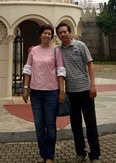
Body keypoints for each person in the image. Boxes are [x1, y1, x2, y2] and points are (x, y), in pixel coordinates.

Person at [56, 22, 100, 163]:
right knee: (76, 126)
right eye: (60, 33)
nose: (63, 34)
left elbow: (90, 64)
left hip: (85, 91)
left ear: (70, 32)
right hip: (70, 93)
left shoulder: (80, 46)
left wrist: (92, 85)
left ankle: (95, 155)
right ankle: (80, 153)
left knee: (91, 124)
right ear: (58, 35)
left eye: (65, 32)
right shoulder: (58, 50)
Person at [22, 24, 66, 163]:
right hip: (35, 93)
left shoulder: (56, 51)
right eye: (44, 33)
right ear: (40, 35)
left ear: (51, 36)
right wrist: (25, 88)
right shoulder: (33, 50)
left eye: (49, 33)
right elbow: (28, 69)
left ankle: (50, 156)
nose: (47, 35)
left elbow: (60, 71)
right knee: (39, 126)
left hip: (51, 93)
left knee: (50, 126)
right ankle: (43, 154)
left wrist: (62, 91)